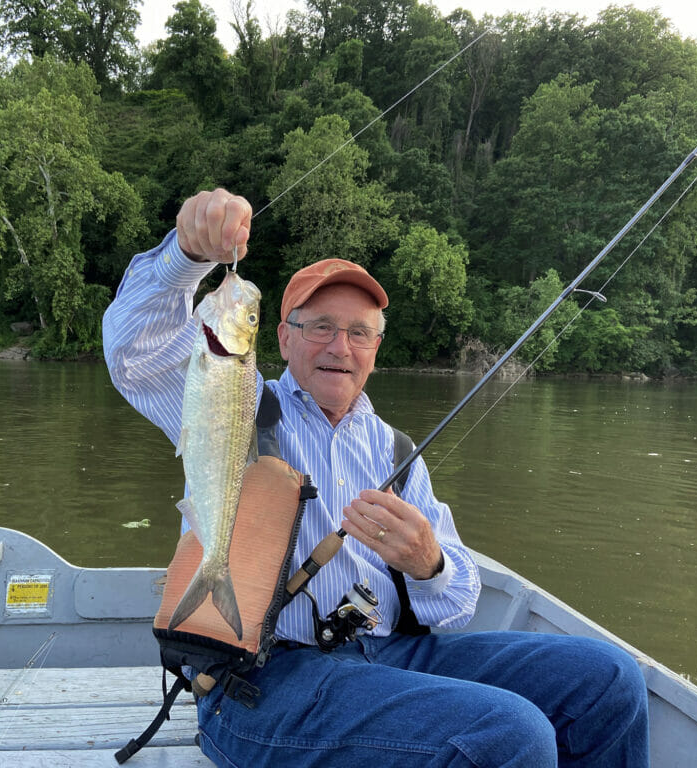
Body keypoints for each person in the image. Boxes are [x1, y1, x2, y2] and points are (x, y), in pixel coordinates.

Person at [103, 188, 649, 768]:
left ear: (376, 349)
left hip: (390, 655)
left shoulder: (399, 451)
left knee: (609, 679)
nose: (340, 347)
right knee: (511, 734)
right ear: (283, 338)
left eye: (359, 332)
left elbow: (456, 605)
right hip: (263, 680)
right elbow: (135, 352)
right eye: (319, 327)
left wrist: (429, 563)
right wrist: (186, 254)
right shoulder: (234, 397)